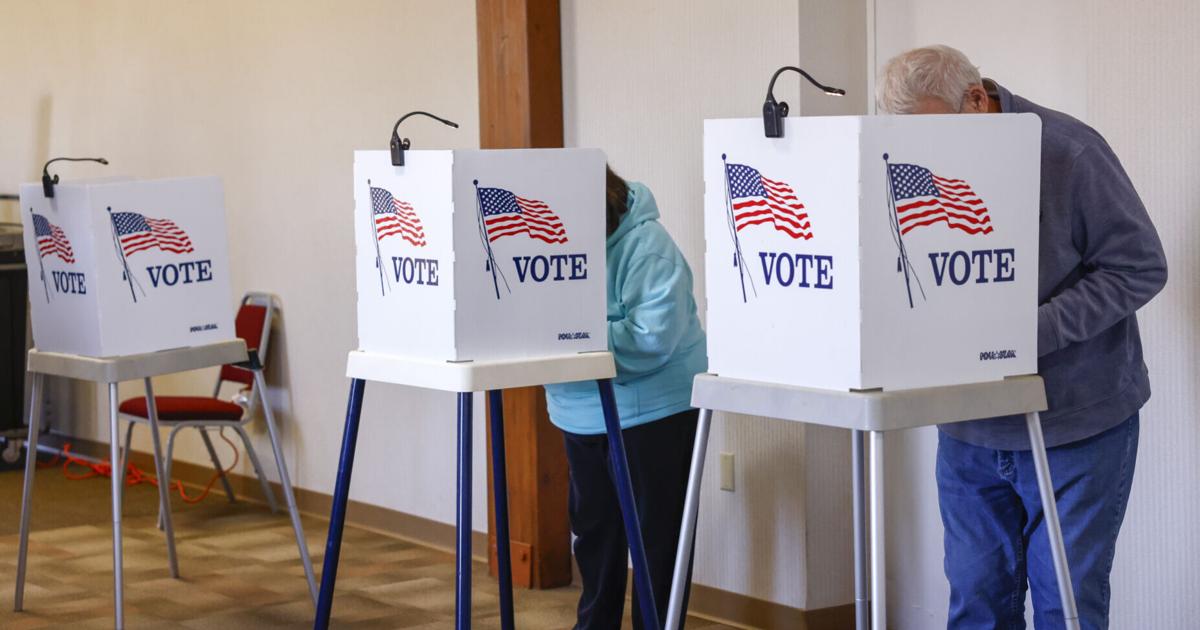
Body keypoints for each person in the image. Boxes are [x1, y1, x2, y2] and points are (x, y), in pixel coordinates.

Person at [877, 45, 1167, 629]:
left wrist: (1028, 333)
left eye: (935, 134)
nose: (926, 155)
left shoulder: (1068, 151)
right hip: (968, 427)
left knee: (1067, 607)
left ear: (977, 101)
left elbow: (1140, 267)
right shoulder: (907, 157)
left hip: (1075, 424)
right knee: (977, 606)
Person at [543, 165, 707, 629]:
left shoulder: (647, 246)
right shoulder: (541, 243)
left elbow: (652, 338)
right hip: (578, 410)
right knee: (594, 536)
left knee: (657, 542)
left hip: (653, 411)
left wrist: (572, 336)